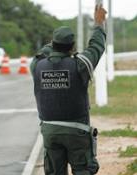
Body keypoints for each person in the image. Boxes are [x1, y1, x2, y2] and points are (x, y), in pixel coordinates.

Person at [30, 5, 107, 175]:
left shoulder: (36, 65)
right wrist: (99, 24)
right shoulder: (80, 65)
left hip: (50, 131)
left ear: (53, 44)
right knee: (83, 170)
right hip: (77, 130)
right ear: (72, 46)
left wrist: (56, 41)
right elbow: (96, 46)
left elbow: (44, 51)